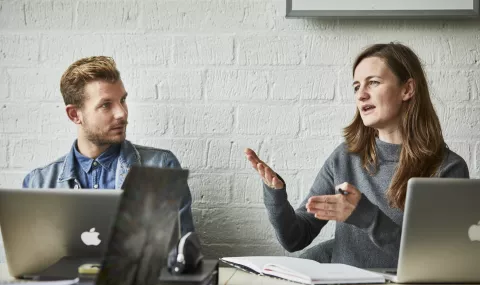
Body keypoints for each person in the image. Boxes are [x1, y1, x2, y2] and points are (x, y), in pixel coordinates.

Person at [245, 42, 469, 268]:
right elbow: (295, 238)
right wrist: (276, 195)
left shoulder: (448, 169)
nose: (361, 95)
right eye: (356, 86)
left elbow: (439, 262)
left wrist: (368, 217)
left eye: (373, 82)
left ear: (407, 89)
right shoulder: (344, 158)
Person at [22, 56, 195, 236]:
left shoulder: (161, 167)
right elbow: (27, 258)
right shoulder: (38, 184)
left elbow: (179, 253)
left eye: (123, 100)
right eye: (106, 105)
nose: (122, 113)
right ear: (75, 115)